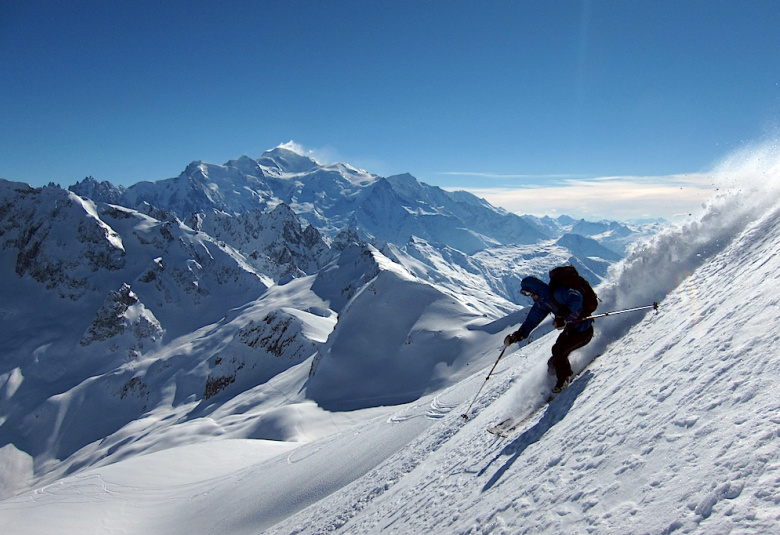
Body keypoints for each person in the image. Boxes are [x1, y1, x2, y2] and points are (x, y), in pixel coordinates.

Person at [504, 270, 595, 393]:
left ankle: (563, 381)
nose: (530, 297)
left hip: (583, 331)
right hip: (570, 331)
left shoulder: (556, 293)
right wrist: (518, 335)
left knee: (558, 351)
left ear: (536, 290)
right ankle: (550, 385)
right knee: (553, 361)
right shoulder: (542, 304)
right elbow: (531, 321)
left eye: (529, 293)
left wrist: (563, 314)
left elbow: (576, 297)